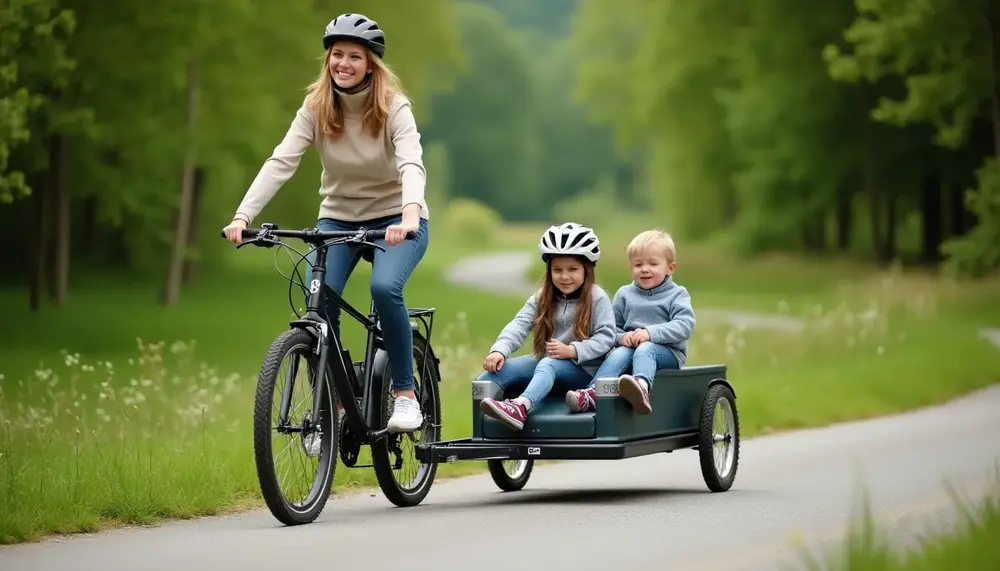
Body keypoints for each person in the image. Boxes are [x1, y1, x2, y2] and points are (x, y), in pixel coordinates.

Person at [221, 13, 430, 433]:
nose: (344, 64)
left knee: (384, 288)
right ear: (328, 59)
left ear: (371, 63)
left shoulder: (393, 107)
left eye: (355, 56)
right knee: (319, 301)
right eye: (337, 55)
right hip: (338, 218)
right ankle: (331, 403)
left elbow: (411, 162)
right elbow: (282, 161)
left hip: (395, 219)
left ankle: (405, 395)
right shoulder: (316, 108)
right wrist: (244, 215)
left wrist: (410, 213)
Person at [476, 223, 617, 431]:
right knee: (494, 374)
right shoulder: (543, 296)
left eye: (572, 269)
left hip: (584, 369)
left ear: (587, 270)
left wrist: (573, 350)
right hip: (548, 364)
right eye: (557, 270)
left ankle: (520, 407)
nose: (564, 276)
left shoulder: (597, 297)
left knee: (548, 364)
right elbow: (520, 324)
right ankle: (486, 431)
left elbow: (607, 337)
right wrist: (499, 350)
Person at [565, 229, 696, 415]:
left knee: (646, 348)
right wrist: (622, 337)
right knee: (618, 354)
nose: (644, 269)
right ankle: (592, 393)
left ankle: (641, 387)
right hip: (631, 349)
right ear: (630, 267)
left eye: (653, 264)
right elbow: (611, 328)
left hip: (668, 352)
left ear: (670, 268)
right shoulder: (624, 294)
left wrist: (649, 333)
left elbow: (684, 326)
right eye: (638, 264)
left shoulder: (677, 294)